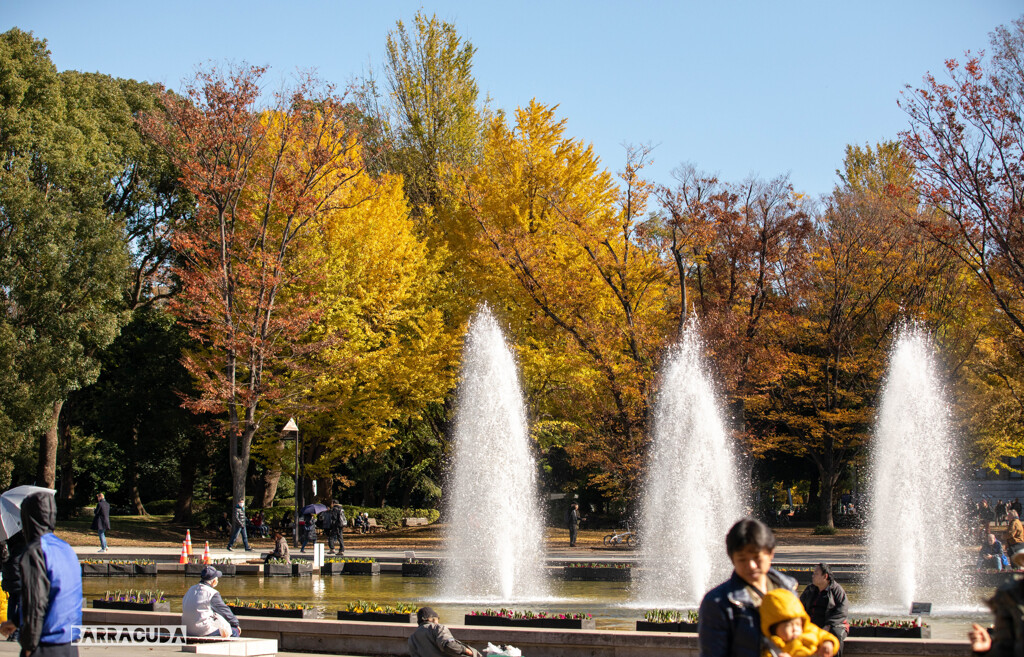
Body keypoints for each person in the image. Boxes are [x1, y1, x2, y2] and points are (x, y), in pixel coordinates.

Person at [699, 518, 813, 657]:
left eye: (756, 557)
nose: (751, 565)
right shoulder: (718, 602)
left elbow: (804, 636)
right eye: (742, 559)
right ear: (732, 559)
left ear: (770, 554)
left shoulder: (787, 589)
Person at [0, 492, 82, 657]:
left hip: (44, 643)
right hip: (69, 643)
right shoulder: (65, 548)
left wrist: (29, 644)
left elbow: (36, 601)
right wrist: (16, 621)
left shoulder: (35, 552)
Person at [760, 588, 838, 657]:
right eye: (789, 626)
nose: (795, 629)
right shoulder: (773, 646)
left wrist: (828, 643)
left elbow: (825, 635)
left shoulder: (809, 630)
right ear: (774, 628)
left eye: (798, 624)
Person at [799, 563, 848, 656]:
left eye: (816, 574)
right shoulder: (810, 589)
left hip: (834, 624)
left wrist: (828, 625)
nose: (813, 576)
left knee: (835, 636)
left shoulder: (837, 590)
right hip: (813, 623)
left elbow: (842, 610)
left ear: (825, 576)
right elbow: (799, 606)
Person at [182, 565, 241, 638]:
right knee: (234, 631)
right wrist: (235, 623)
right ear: (214, 581)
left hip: (187, 630)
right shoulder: (212, 593)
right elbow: (224, 610)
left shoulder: (190, 589)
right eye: (217, 579)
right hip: (202, 630)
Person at [408, 607, 481, 657]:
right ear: (432, 619)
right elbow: (449, 645)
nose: (438, 621)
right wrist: (468, 651)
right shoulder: (437, 628)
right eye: (437, 619)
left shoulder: (412, 638)